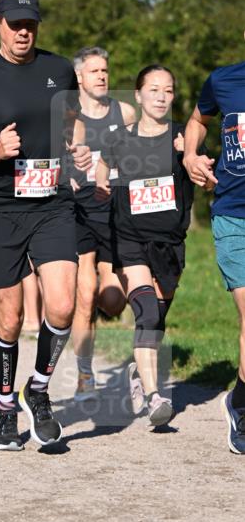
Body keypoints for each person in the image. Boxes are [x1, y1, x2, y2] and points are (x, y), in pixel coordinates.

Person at [0, 0, 91, 451]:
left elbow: (73, 121)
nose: (23, 32)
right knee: (9, 318)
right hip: (0, 207)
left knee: (63, 305)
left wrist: (78, 147)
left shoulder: (59, 69)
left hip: (52, 203)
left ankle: (39, 389)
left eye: (30, 24)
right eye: (14, 24)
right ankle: (5, 409)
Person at [96, 65, 194, 429]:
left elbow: (203, 174)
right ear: (137, 96)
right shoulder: (118, 138)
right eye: (153, 89)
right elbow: (103, 167)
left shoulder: (184, 136)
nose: (161, 96)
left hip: (169, 242)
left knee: (158, 320)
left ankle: (139, 371)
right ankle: (155, 396)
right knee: (147, 313)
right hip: (129, 237)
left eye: (168, 91)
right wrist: (102, 187)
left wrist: (191, 157)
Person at [183, 56, 245, 454]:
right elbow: (196, 121)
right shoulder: (223, 80)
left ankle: (239, 398)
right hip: (235, 215)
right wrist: (191, 155)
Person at [69, 47, 135, 400]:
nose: (102, 76)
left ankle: (94, 308)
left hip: (113, 213)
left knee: (112, 301)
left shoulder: (123, 112)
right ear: (79, 77)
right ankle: (84, 376)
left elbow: (136, 156)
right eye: (94, 71)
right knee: (84, 296)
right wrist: (70, 174)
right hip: (79, 214)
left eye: (105, 70)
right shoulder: (68, 117)